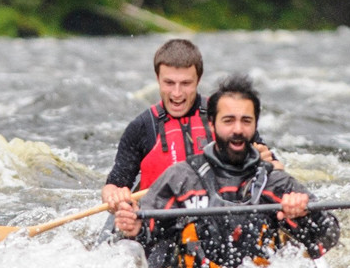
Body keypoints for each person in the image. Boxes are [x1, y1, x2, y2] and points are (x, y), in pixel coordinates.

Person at [113, 73, 340, 268]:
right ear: (212, 125)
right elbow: (143, 240)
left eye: (246, 121)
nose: (238, 129)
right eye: (228, 121)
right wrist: (134, 228)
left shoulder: (276, 183)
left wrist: (303, 216)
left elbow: (329, 236)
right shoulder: (179, 179)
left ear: (255, 125)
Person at [101, 38, 278, 210]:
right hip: (162, 218)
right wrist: (115, 196)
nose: (177, 93)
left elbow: (276, 168)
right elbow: (113, 186)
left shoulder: (226, 117)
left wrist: (265, 161)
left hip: (220, 211)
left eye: (185, 83)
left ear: (198, 80)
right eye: (169, 83)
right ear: (158, 78)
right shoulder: (141, 127)